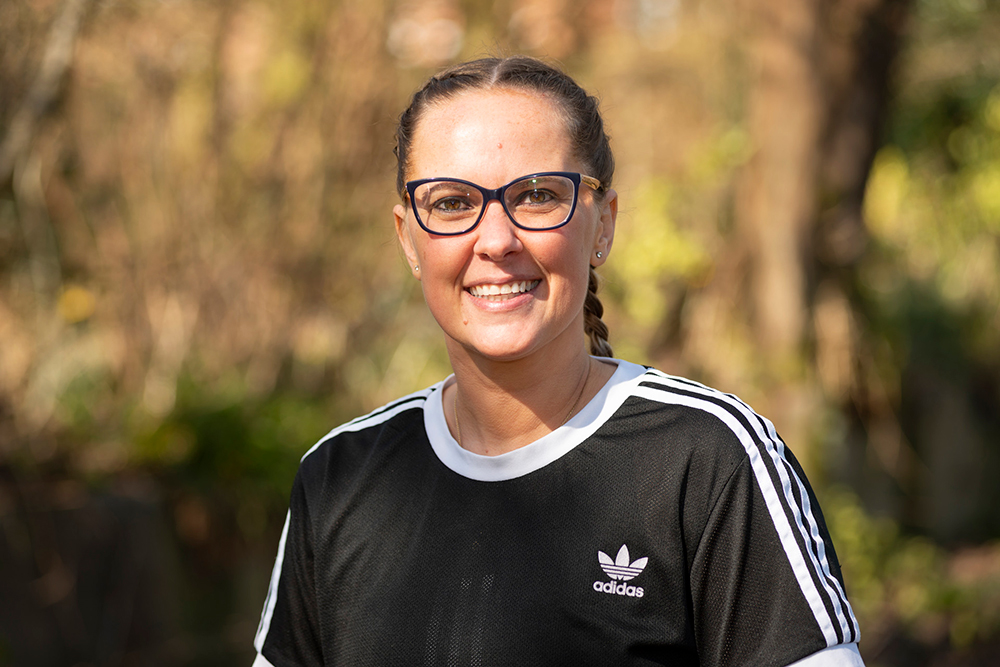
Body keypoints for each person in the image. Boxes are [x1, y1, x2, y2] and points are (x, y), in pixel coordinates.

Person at [252, 56, 864, 667]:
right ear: (409, 236)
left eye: (538, 196)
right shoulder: (340, 477)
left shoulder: (708, 461)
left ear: (603, 224)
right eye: (451, 203)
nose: (495, 241)